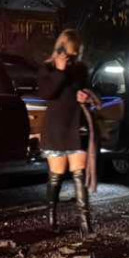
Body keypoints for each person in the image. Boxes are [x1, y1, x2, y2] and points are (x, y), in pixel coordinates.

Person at [37, 29, 99, 234]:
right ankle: (51, 217)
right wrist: (60, 71)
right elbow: (47, 93)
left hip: (77, 126)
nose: (73, 58)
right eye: (70, 53)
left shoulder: (81, 68)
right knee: (56, 176)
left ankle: (85, 222)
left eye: (76, 54)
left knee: (79, 174)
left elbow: (87, 90)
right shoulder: (47, 67)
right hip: (56, 129)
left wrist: (86, 96)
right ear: (61, 48)